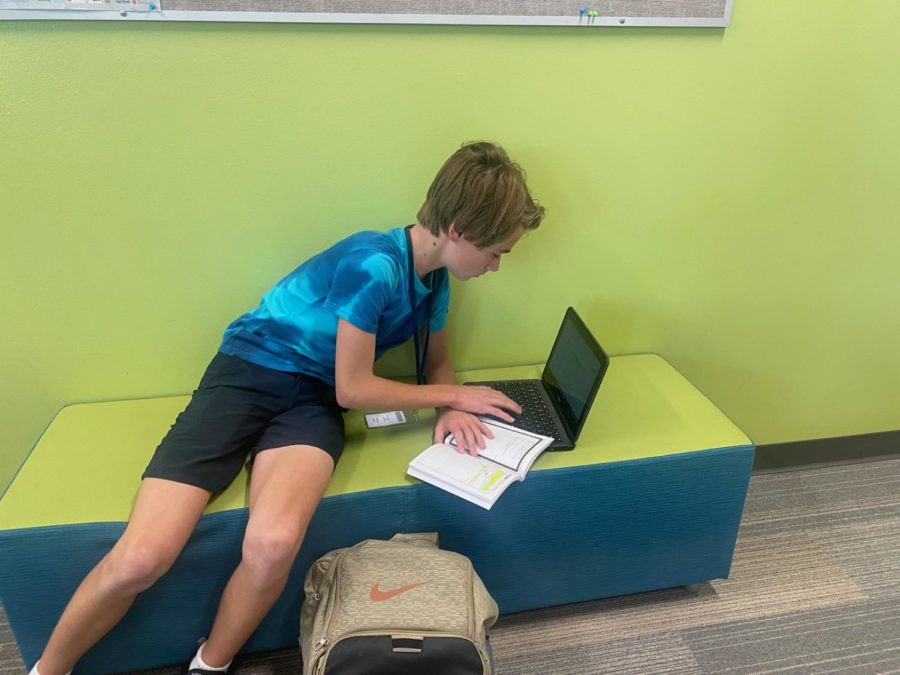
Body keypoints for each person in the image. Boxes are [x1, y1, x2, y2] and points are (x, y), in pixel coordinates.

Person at [29, 141, 545, 675]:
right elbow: (355, 390)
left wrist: (450, 406)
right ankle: (48, 669)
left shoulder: (436, 282)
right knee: (141, 558)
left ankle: (209, 664)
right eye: (497, 252)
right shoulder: (373, 263)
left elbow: (435, 364)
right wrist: (453, 396)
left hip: (311, 399)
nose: (496, 266)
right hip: (247, 374)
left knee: (273, 544)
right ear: (459, 229)